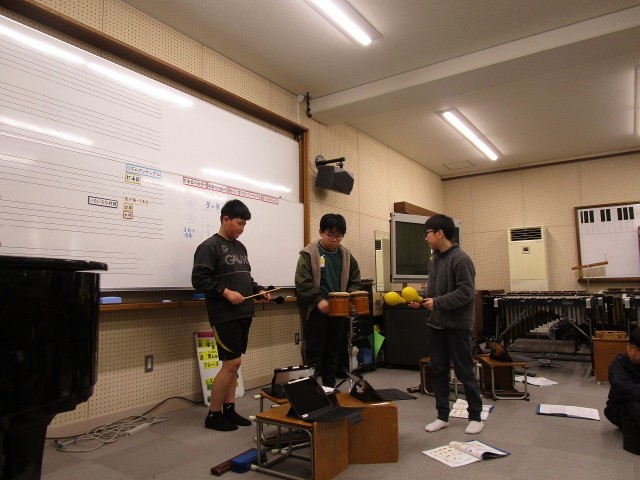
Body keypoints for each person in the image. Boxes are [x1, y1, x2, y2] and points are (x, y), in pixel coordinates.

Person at [192, 199, 269, 431]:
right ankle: (213, 414)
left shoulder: (240, 247)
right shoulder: (209, 247)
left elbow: (246, 277)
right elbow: (199, 280)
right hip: (224, 315)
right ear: (225, 219)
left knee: (235, 364)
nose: (242, 228)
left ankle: (229, 409)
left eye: (244, 224)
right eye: (239, 223)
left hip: (244, 312)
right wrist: (225, 292)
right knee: (231, 363)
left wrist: (258, 290)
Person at [410, 214, 484, 435]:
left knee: (464, 372)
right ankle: (442, 416)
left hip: (456, 327)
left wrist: (438, 303)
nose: (426, 238)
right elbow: (434, 293)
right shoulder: (434, 260)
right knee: (439, 372)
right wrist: (422, 300)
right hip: (435, 325)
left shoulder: (461, 259)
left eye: (428, 234)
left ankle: (476, 417)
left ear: (440, 233)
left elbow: (466, 293)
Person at [295, 213, 361, 388]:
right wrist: (318, 301)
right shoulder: (309, 253)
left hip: (338, 311)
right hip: (315, 311)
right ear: (321, 232)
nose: (335, 239)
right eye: (331, 235)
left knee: (333, 351)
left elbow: (355, 280)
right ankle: (311, 391)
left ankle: (329, 389)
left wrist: (350, 296)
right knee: (314, 353)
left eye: (339, 236)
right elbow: (302, 282)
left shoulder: (346, 255)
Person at [604, 326, 640, 452]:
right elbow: (621, 386)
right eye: (630, 346)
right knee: (633, 403)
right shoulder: (620, 362)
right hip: (619, 409)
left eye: (639, 350)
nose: (633, 353)